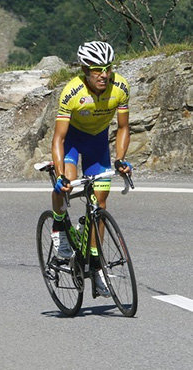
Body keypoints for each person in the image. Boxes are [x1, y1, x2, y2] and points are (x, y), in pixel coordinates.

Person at [51, 41, 132, 297]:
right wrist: (60, 173)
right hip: (73, 142)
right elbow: (58, 139)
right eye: (97, 69)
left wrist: (120, 159)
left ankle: (96, 266)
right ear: (85, 70)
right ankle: (58, 224)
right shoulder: (71, 92)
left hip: (98, 144)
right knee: (68, 185)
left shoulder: (120, 87)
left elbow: (123, 128)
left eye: (108, 68)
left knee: (100, 205)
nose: (104, 74)